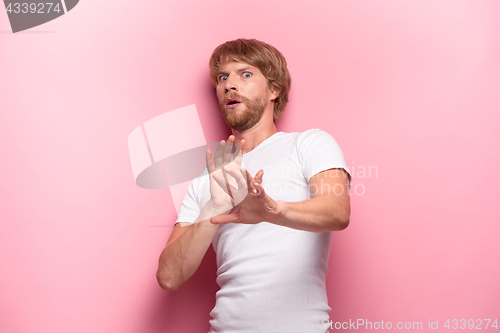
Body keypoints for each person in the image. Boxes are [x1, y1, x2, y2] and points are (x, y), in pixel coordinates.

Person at [156, 38, 351, 333]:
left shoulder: (309, 144)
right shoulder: (209, 176)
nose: (229, 85)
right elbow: (169, 277)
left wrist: (273, 211)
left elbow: (338, 211)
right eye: (223, 78)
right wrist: (214, 207)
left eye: (245, 74)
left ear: (274, 90)